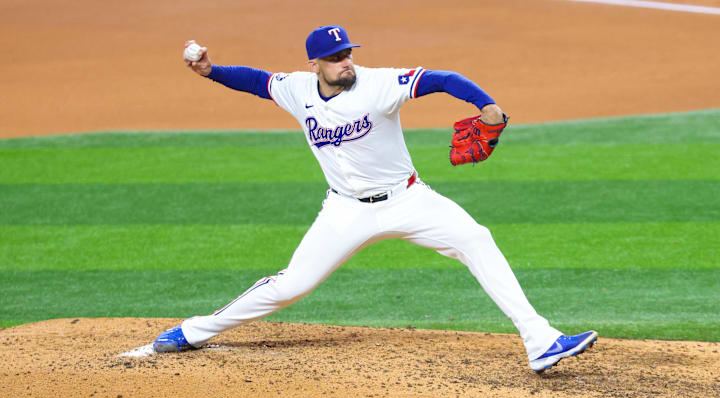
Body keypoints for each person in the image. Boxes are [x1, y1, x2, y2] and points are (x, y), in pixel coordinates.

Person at [153, 25, 597, 373]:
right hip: (344, 210)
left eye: (348, 53)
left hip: (408, 200)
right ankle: (193, 331)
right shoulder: (298, 90)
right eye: (334, 57)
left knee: (476, 238)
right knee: (291, 286)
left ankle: (539, 340)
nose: (345, 62)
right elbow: (257, 81)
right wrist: (211, 71)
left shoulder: (381, 84)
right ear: (315, 65)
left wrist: (489, 108)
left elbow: (444, 79)